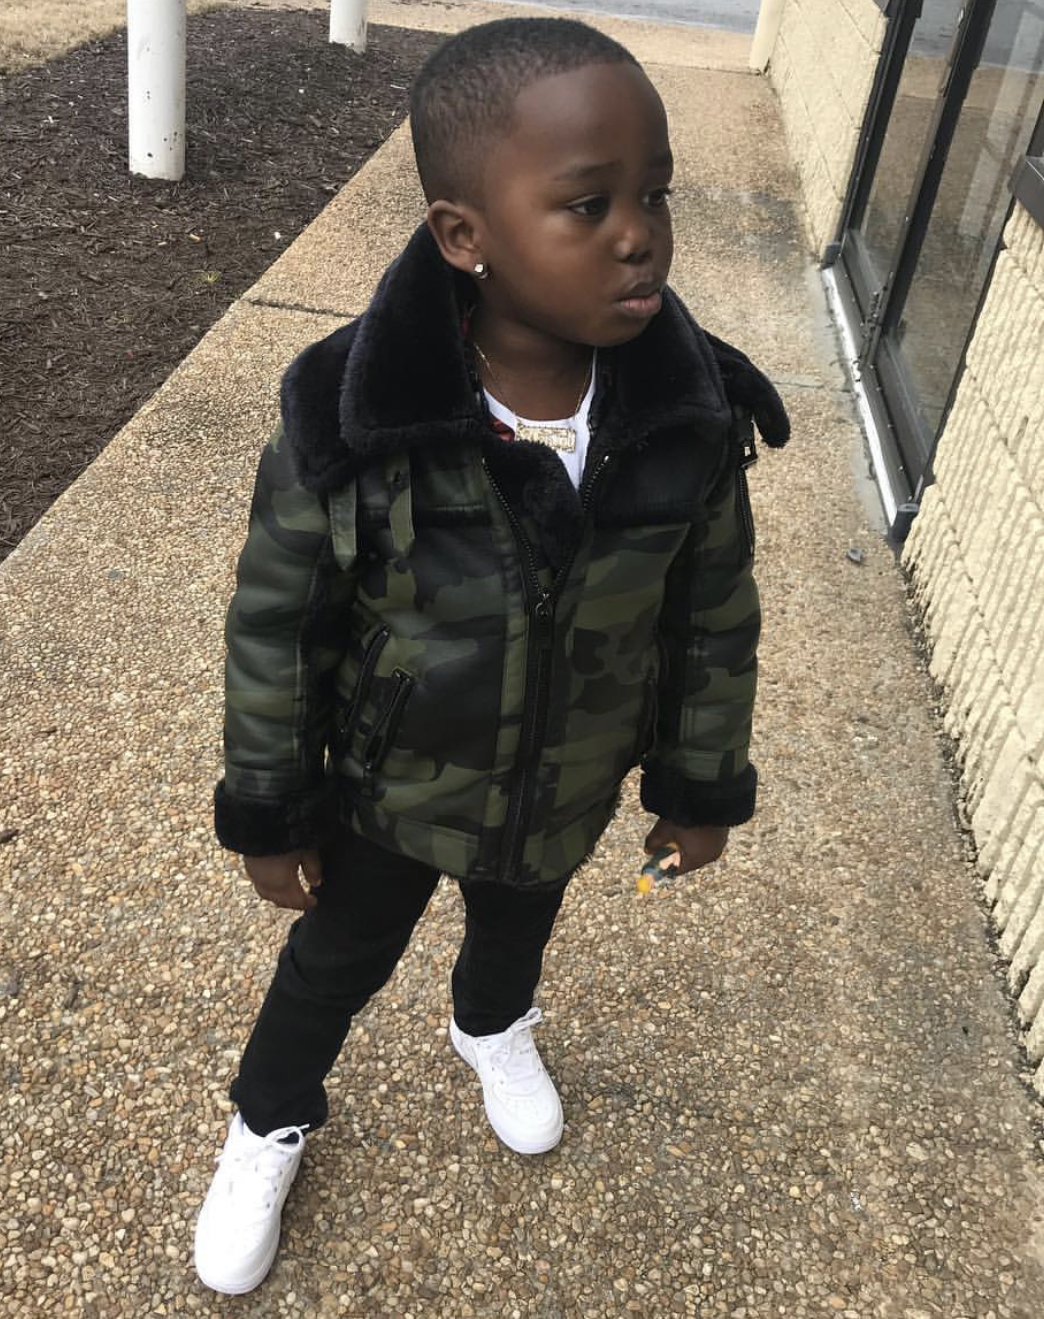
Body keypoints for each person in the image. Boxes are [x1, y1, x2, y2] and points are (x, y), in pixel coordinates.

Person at [194, 16, 789, 1295]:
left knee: (519, 923)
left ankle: (492, 1023)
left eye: (655, 195)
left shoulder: (687, 416)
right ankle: (268, 1116)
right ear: (465, 235)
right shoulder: (355, 418)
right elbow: (277, 622)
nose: (638, 235)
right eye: (587, 204)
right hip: (392, 791)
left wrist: (698, 785)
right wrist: (271, 807)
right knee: (333, 964)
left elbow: (713, 612)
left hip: (566, 782)